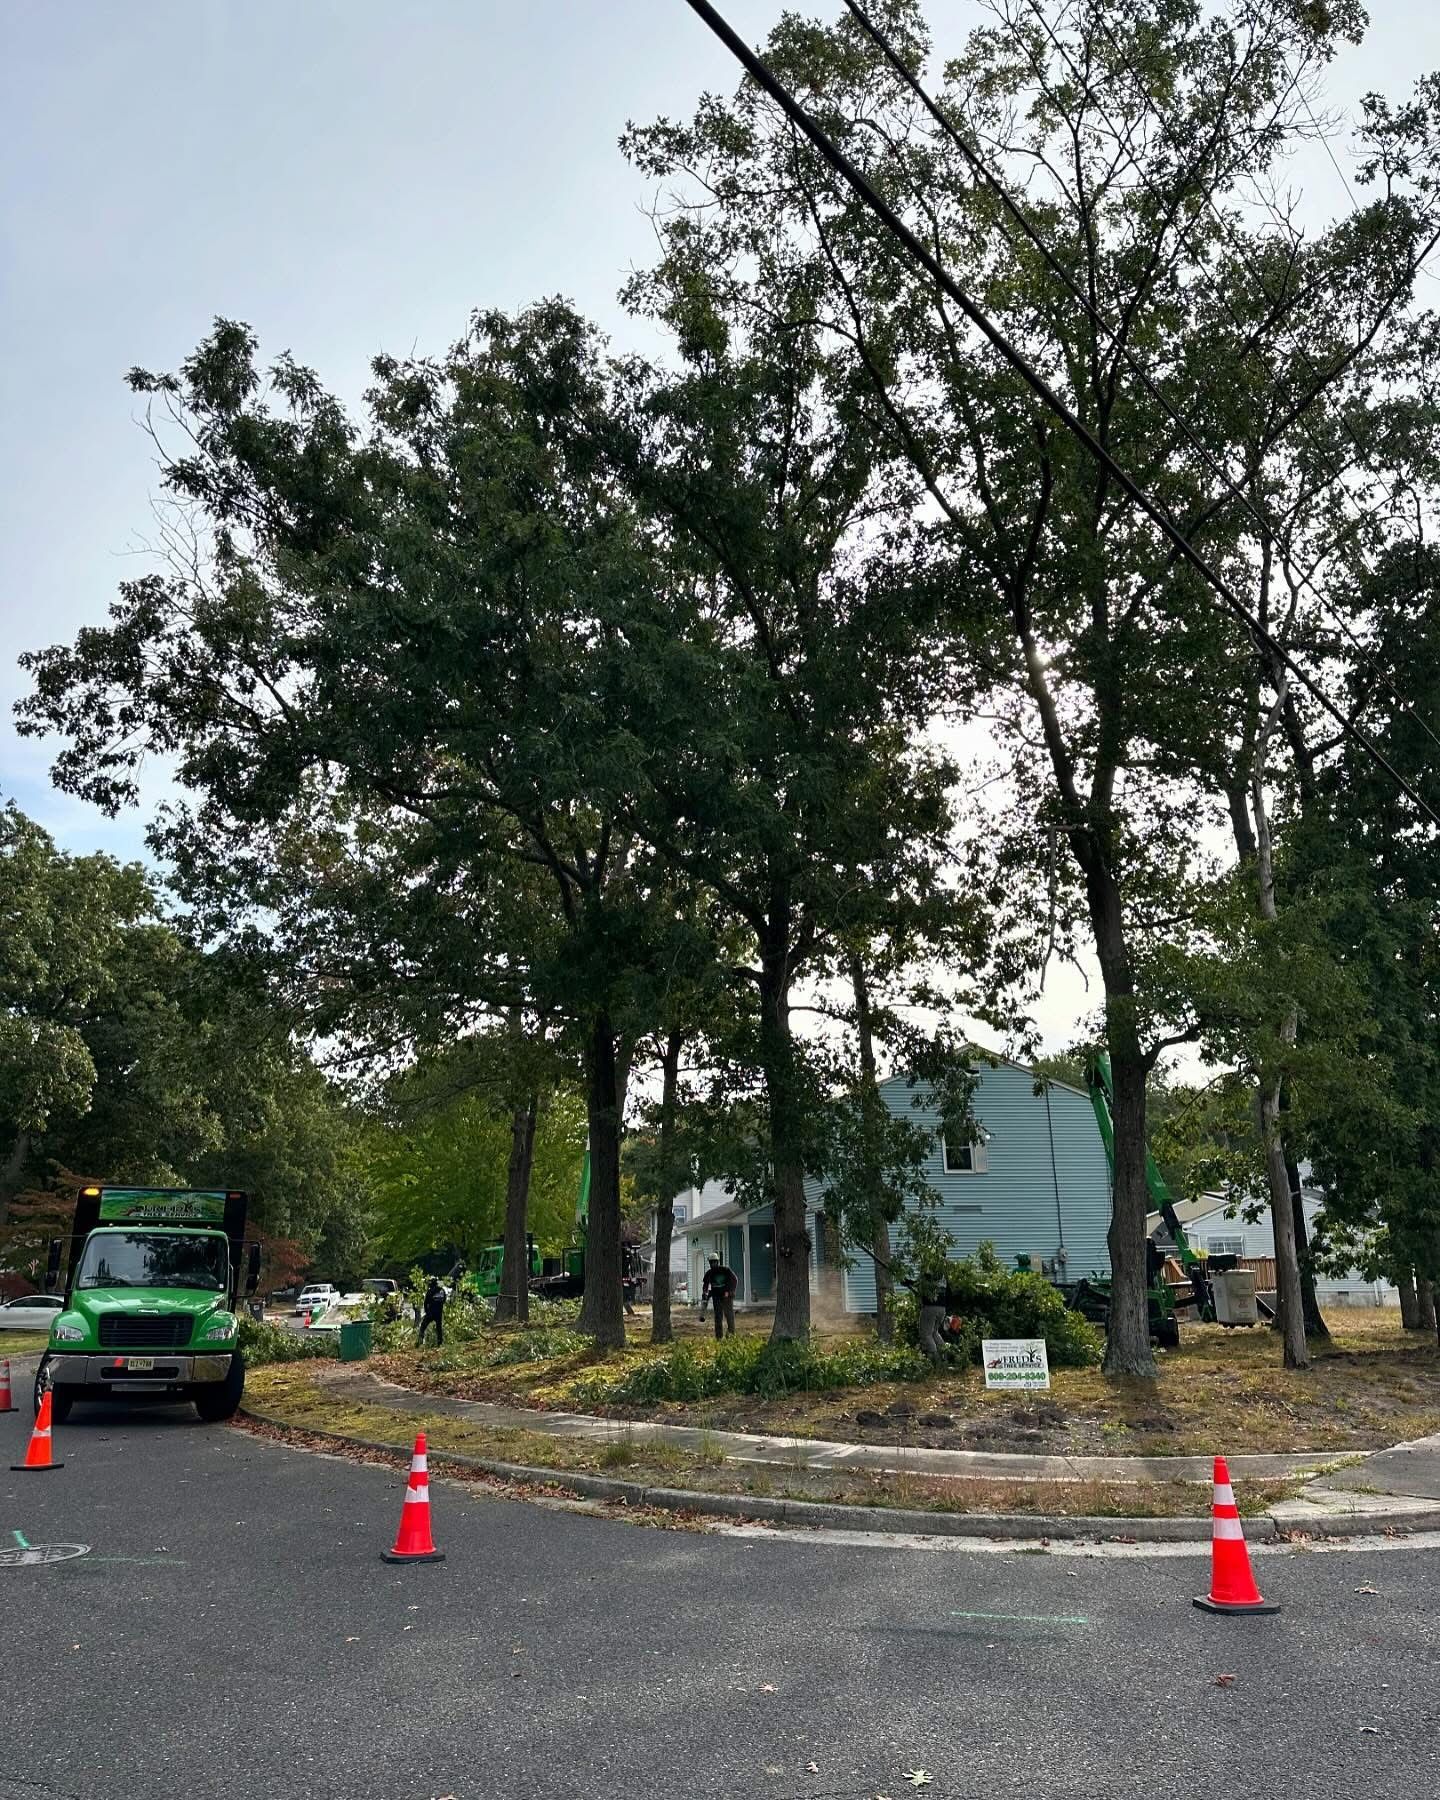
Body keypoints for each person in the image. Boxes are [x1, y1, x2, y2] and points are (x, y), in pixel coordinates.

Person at [700, 1254, 737, 1340]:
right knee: (718, 1317)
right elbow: (705, 1285)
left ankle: (731, 1335)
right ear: (709, 1263)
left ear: (718, 1262)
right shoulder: (709, 1273)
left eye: (714, 1262)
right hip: (716, 1297)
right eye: (711, 1262)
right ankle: (719, 1337)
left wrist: (729, 1291)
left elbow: (734, 1280)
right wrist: (705, 1293)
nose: (713, 1264)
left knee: (729, 1316)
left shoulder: (725, 1270)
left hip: (726, 1297)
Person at [417, 1275, 446, 1348]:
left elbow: (426, 1303)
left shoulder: (430, 1291)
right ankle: (440, 1343)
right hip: (439, 1312)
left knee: (423, 1326)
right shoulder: (442, 1290)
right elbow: (444, 1300)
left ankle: (420, 1341)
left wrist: (427, 1312)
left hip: (431, 1312)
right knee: (439, 1328)